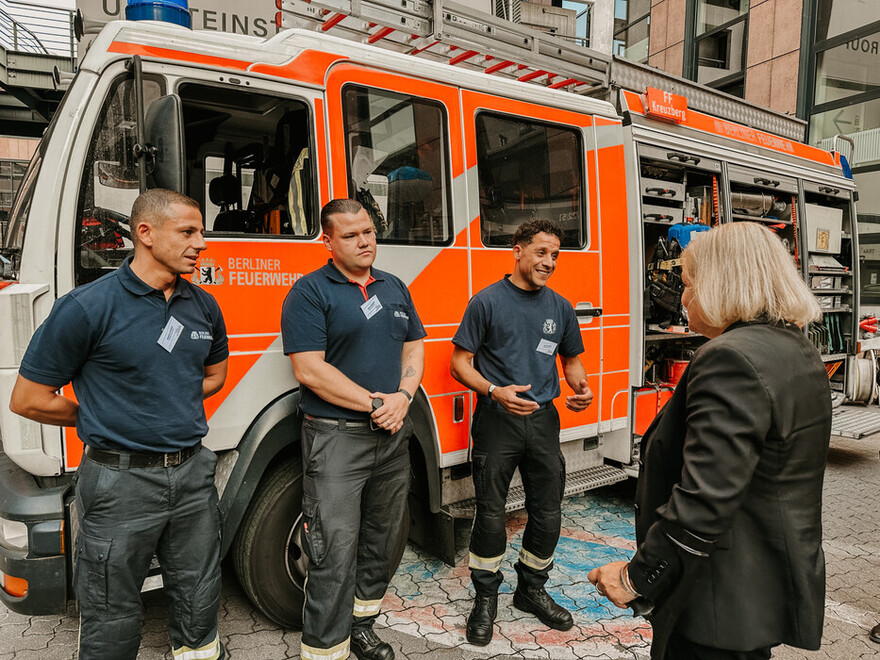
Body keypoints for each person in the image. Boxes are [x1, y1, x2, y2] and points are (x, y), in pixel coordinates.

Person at [588, 221, 831, 660]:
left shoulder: (729, 358)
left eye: (688, 283)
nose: (682, 299)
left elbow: (704, 499)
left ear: (721, 281)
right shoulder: (796, 348)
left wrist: (635, 578)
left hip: (715, 601)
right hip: (757, 593)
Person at [9, 189, 228, 660]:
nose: (202, 244)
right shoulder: (87, 307)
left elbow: (215, 374)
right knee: (110, 608)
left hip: (193, 476)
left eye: (201, 232)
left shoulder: (204, 306)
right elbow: (28, 399)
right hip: (119, 481)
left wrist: (165, 401)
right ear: (145, 234)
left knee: (200, 595)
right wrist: (99, 415)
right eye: (188, 232)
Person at [282, 198, 426, 660]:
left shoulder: (394, 286)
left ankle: (361, 627)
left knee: (382, 542)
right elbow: (308, 369)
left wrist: (403, 397)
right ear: (327, 241)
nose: (364, 241)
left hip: (392, 434)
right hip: (336, 438)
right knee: (332, 552)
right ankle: (325, 650)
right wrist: (376, 403)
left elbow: (414, 348)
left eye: (368, 231)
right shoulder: (309, 292)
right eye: (350, 235)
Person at [450, 218, 593, 646]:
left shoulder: (561, 307)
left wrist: (580, 386)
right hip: (498, 422)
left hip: (544, 422)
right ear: (517, 250)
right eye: (542, 252)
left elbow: (572, 361)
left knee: (548, 513)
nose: (549, 262)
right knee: (491, 515)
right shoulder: (486, 302)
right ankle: (486, 598)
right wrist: (495, 391)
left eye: (555, 255)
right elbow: (459, 363)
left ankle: (531, 590)